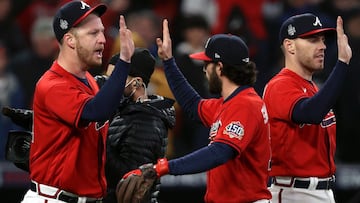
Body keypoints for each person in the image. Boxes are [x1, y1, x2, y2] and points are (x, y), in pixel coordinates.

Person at [123, 20, 272, 203]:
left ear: (219, 67)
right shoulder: (228, 104)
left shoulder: (245, 105)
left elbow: (219, 152)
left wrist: (162, 167)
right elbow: (192, 104)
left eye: (207, 64)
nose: (204, 70)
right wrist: (169, 62)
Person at [21, 1, 135, 203]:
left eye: (102, 32)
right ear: (70, 40)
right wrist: (124, 61)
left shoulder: (89, 80)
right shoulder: (52, 84)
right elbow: (96, 111)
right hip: (54, 198)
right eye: (93, 34)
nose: (102, 40)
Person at [262, 13, 352, 203]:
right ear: (290, 46)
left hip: (319, 190)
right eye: (312, 40)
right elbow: (310, 113)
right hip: (293, 193)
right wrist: (342, 63)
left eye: (322, 40)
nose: (322, 46)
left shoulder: (310, 88)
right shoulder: (280, 85)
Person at [104, 48, 176, 203]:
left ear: (136, 82)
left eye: (114, 78)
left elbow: (132, 179)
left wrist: (97, 142)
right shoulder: (124, 112)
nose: (107, 85)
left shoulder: (145, 120)